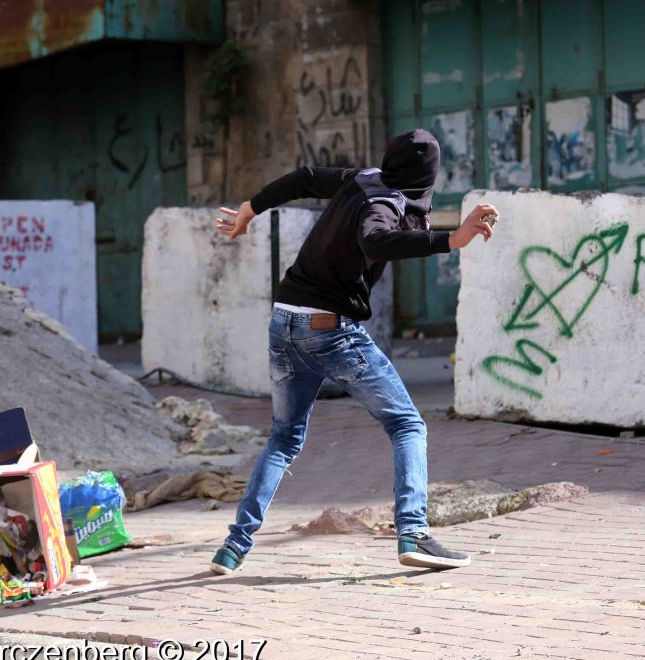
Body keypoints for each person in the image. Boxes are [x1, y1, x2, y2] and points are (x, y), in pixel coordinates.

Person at [209, 129, 498, 575]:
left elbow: (303, 178)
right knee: (407, 425)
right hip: (329, 330)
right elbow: (375, 240)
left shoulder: (364, 178)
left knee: (284, 439)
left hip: (284, 320)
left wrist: (249, 209)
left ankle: (233, 548)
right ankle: (413, 532)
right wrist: (451, 240)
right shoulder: (387, 203)